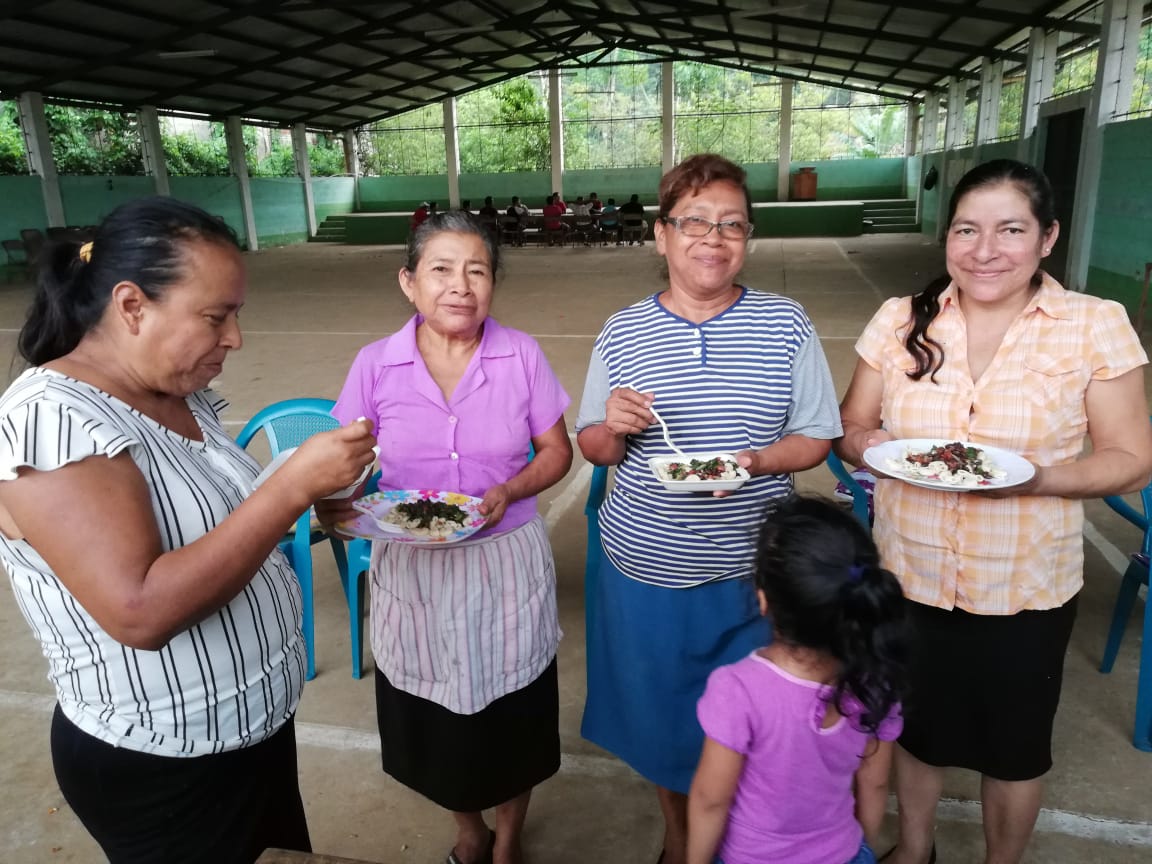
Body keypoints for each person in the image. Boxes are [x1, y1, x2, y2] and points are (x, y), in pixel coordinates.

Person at [0, 197, 377, 864]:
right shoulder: (51, 418)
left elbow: (212, 518)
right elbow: (139, 610)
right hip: (166, 764)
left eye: (236, 314)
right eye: (215, 316)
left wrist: (310, 497)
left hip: (248, 735)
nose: (234, 338)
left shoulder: (176, 392)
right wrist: (288, 487)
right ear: (132, 306)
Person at [835, 158, 1152, 864]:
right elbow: (850, 428)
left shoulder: (1093, 325)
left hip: (1023, 587)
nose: (985, 250)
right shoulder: (899, 320)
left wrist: (1038, 478)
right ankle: (916, 851)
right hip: (910, 573)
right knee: (917, 732)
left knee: (1014, 751)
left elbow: (1131, 456)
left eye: (1011, 229)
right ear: (947, 237)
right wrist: (868, 443)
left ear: (1047, 237)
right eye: (967, 230)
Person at [576, 153, 842, 864]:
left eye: (731, 224)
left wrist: (753, 461)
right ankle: (680, 841)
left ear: (747, 238)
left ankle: (740, 842)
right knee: (663, 728)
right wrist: (616, 426)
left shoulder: (786, 324)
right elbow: (592, 447)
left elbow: (816, 436)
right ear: (662, 235)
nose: (713, 238)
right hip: (644, 572)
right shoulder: (623, 330)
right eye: (694, 221)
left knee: (756, 729)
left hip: (755, 579)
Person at [317, 210, 573, 864]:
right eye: (441, 270)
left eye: (477, 271)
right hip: (412, 563)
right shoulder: (376, 364)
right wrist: (337, 506)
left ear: (493, 282)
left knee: (513, 709)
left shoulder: (522, 355)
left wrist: (512, 489)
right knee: (430, 714)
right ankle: (469, 829)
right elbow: (344, 458)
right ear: (409, 282)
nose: (460, 286)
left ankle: (509, 838)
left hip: (506, 557)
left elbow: (556, 453)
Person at [688, 495, 908, 864]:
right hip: (844, 853)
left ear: (763, 600)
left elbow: (711, 800)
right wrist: (861, 848)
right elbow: (875, 782)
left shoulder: (738, 690)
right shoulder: (876, 678)